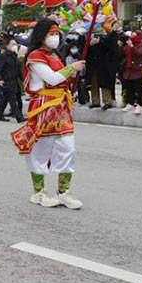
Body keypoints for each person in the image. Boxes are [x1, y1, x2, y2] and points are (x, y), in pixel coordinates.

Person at [11, 19, 85, 209]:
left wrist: (69, 88)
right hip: (44, 107)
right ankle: (38, 193)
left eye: (56, 33)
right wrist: (71, 68)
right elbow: (51, 79)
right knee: (40, 151)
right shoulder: (35, 56)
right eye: (51, 33)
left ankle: (63, 193)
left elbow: (60, 80)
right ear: (42, 35)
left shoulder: (55, 54)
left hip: (61, 107)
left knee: (68, 149)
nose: (55, 37)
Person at [86, 25, 118, 109]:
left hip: (104, 66)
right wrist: (90, 44)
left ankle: (107, 102)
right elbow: (85, 52)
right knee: (93, 85)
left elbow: (111, 49)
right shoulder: (89, 42)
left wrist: (100, 42)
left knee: (105, 85)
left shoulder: (107, 41)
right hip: (93, 66)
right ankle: (95, 101)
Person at [0, 36, 24, 122]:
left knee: (5, 99)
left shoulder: (14, 56)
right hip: (7, 81)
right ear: (7, 45)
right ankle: (19, 117)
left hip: (15, 81)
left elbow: (18, 70)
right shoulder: (2, 56)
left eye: (16, 44)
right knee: (12, 99)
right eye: (13, 44)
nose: (15, 46)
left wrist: (23, 80)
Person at [121, 32, 142, 114]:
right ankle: (130, 103)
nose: (132, 37)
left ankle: (140, 104)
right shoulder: (129, 45)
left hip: (137, 69)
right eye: (131, 35)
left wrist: (132, 46)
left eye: (134, 35)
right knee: (129, 88)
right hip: (129, 69)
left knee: (138, 88)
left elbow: (138, 53)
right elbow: (124, 52)